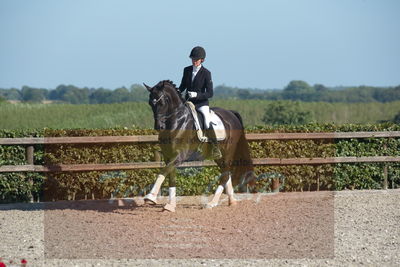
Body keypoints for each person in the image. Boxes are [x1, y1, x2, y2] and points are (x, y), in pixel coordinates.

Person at [179, 46, 222, 159]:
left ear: (202, 60)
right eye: (192, 59)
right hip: (188, 103)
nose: (194, 61)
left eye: (196, 59)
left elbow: (210, 93)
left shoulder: (206, 73)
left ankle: (215, 147)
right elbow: (182, 86)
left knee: (207, 121)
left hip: (201, 104)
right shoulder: (187, 70)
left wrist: (197, 95)